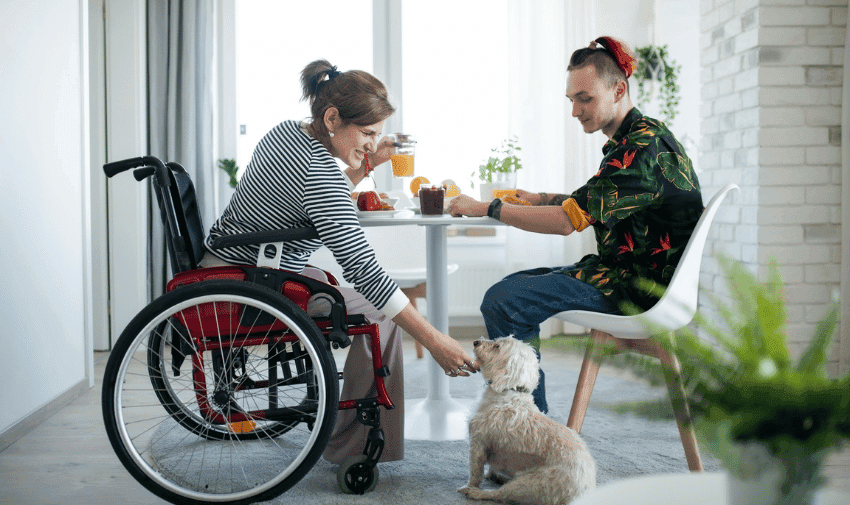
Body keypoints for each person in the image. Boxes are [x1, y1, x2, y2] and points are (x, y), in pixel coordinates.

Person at [201, 60, 478, 463]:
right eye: (367, 133)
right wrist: (434, 340)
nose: (372, 143)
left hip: (229, 263)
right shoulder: (319, 171)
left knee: (361, 297)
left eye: (378, 135)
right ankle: (351, 448)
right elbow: (363, 268)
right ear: (332, 118)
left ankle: (351, 433)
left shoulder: (288, 133)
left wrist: (367, 162)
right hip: (253, 284)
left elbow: (313, 199)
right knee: (381, 314)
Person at [448, 37, 703, 413]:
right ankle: (528, 419)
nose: (575, 111)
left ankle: (528, 427)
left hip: (637, 290)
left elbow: (569, 222)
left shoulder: (641, 149)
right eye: (571, 100)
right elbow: (590, 203)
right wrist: (540, 198)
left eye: (585, 98)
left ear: (618, 89)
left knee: (506, 300)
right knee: (507, 291)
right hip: (624, 274)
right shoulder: (641, 136)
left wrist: (486, 207)